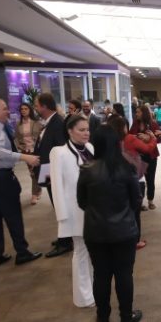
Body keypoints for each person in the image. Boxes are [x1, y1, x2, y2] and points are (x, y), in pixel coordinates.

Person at [77, 125, 142, 322]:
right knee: (124, 274)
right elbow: (136, 200)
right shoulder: (126, 168)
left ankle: (103, 318)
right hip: (124, 231)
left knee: (101, 275)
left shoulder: (87, 170)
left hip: (95, 231)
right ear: (116, 143)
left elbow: (82, 202)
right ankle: (126, 318)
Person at [0, 98, 42, 269]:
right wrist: (24, 157)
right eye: (4, 108)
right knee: (13, 216)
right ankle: (22, 252)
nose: (8, 111)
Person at [50, 115, 95, 308]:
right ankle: (84, 297)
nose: (86, 133)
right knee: (81, 252)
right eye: (81, 130)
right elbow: (56, 186)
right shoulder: (58, 153)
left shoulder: (90, 148)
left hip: (93, 210)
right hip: (74, 212)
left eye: (87, 129)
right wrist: (62, 217)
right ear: (70, 131)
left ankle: (93, 290)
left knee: (93, 253)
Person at [34, 93, 72, 258]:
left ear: (44, 106)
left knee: (60, 206)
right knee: (56, 205)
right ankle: (64, 237)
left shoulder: (57, 123)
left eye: (37, 105)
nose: (35, 108)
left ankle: (65, 242)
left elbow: (61, 149)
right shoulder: (50, 122)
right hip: (48, 170)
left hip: (53, 172)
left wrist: (55, 174)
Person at [107, 115, 149, 250]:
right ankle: (135, 241)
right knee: (135, 212)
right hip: (134, 179)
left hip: (116, 182)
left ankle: (121, 240)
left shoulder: (107, 143)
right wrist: (152, 139)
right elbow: (147, 149)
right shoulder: (129, 138)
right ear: (123, 127)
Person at [130, 106, 161, 211]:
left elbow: (159, 139)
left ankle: (150, 201)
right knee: (139, 180)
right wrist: (138, 137)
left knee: (150, 179)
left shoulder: (153, 124)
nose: (136, 114)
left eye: (138, 112)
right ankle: (140, 202)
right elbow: (130, 136)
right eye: (136, 112)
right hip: (138, 156)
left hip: (151, 155)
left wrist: (150, 137)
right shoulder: (135, 123)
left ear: (144, 113)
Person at [15, 102, 43, 205]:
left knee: (35, 172)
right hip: (26, 151)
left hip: (36, 150)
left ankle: (34, 194)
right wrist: (20, 147)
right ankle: (37, 190)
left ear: (30, 110)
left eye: (25, 109)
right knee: (33, 173)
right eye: (22, 109)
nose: (23, 111)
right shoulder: (18, 124)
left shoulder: (36, 123)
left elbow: (41, 136)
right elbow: (16, 138)